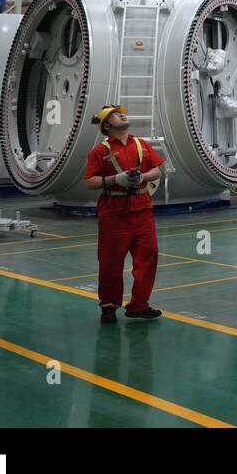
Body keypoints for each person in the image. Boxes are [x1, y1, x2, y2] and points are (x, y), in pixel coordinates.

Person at [84, 105, 164, 323]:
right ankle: (109, 305)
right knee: (110, 261)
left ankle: (139, 305)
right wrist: (114, 180)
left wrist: (143, 177)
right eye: (115, 114)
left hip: (142, 209)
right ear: (107, 125)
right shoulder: (100, 152)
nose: (122, 114)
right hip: (114, 212)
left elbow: (157, 170)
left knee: (149, 257)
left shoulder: (142, 145)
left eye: (121, 112)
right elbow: (90, 182)